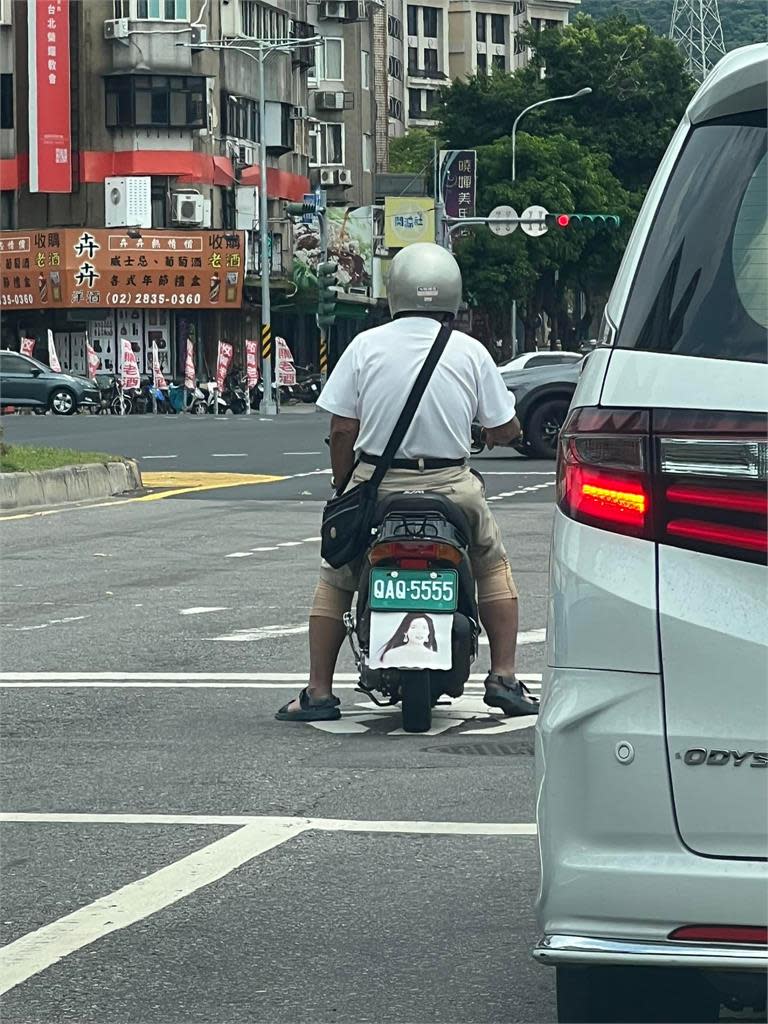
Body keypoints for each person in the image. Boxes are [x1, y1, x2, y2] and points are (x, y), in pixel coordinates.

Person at [276, 242, 540, 723]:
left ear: (394, 291)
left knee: (337, 576)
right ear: (452, 294)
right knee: (491, 567)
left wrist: (345, 486)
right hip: (452, 486)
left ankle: (317, 692)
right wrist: (486, 432)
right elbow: (507, 430)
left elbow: (341, 430)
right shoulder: (470, 351)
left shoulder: (364, 346)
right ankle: (503, 676)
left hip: (377, 486)